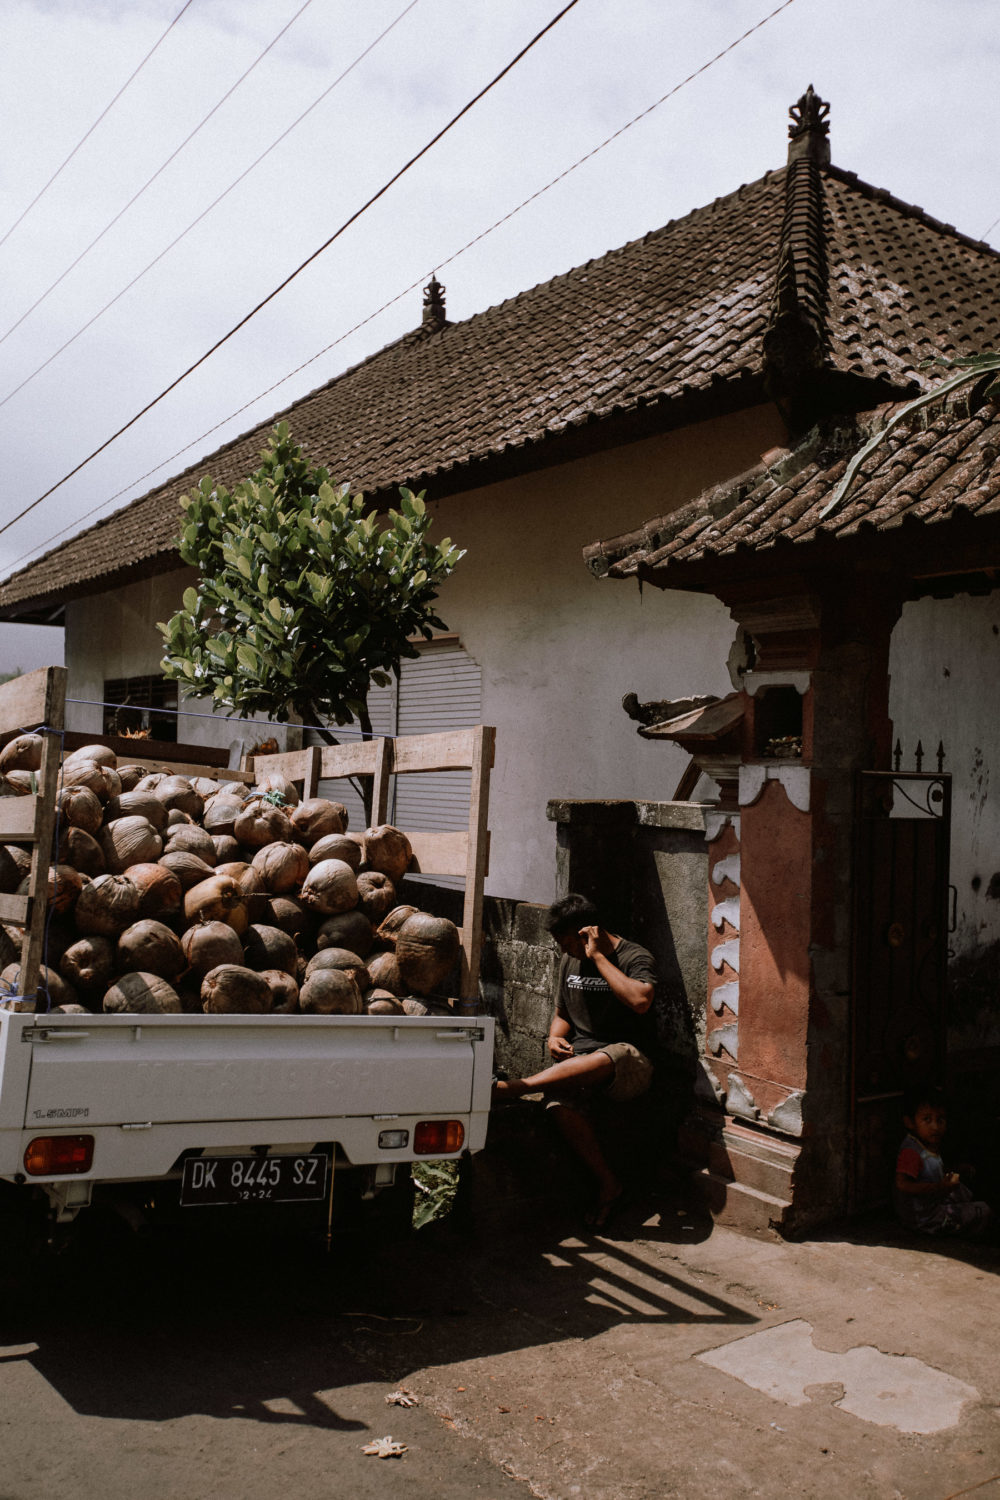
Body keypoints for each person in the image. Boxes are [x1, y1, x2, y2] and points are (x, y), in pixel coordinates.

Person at [493, 893, 658, 1230]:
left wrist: (597, 957)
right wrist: (554, 1037)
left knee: (612, 1054)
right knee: (557, 1107)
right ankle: (609, 1184)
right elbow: (561, 1014)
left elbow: (640, 1001)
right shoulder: (568, 962)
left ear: (586, 933)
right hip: (582, 1060)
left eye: (566, 942)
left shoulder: (634, 956)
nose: (562, 950)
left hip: (629, 1061)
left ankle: (514, 1089)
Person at [893, 1085, 992, 1237]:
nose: (935, 1127)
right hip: (923, 1217)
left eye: (940, 1120)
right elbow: (902, 1184)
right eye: (927, 1120)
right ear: (910, 1122)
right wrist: (937, 1187)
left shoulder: (926, 1144)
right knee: (983, 1209)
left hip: (932, 1202)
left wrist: (956, 1170)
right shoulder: (911, 1152)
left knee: (963, 1191)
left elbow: (930, 1170)